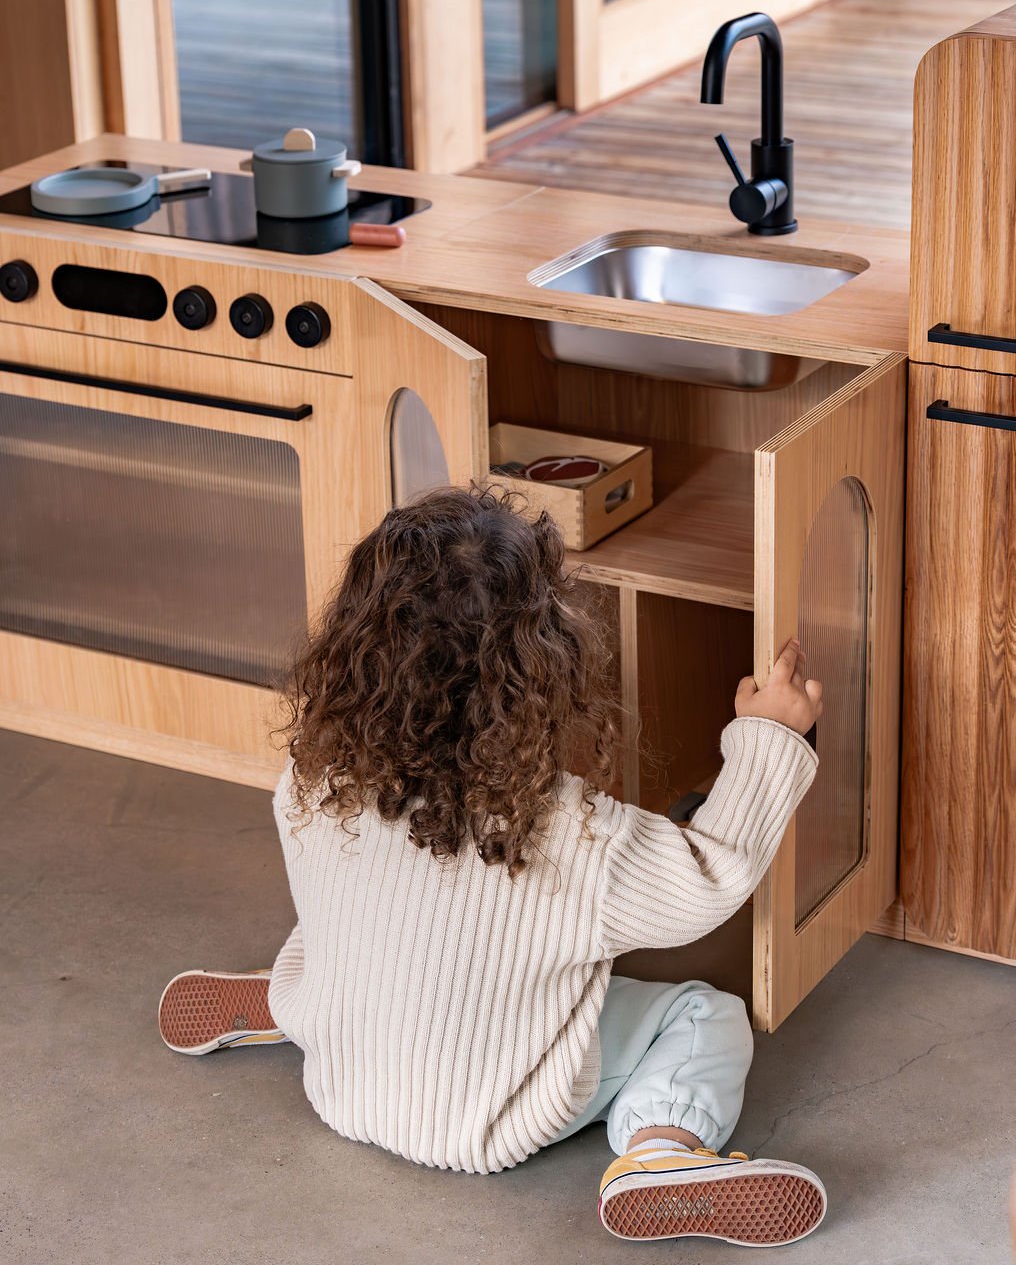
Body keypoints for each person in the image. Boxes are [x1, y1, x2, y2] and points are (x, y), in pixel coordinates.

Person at [159, 486, 826, 1246]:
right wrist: (768, 737)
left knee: (347, 915)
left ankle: (293, 1003)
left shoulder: (315, 779)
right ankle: (661, 1152)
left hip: (341, 1085)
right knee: (704, 1017)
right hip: (495, 1118)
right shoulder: (576, 836)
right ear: (545, 663)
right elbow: (709, 873)